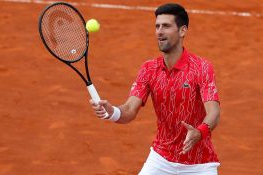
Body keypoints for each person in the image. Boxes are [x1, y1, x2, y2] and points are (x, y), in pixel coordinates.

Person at [89, 3, 221, 175]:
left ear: (182, 31)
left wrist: (199, 132)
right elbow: (129, 109)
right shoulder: (148, 69)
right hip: (161, 159)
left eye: (166, 26)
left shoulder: (202, 68)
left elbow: (214, 112)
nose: (159, 31)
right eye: (157, 26)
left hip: (200, 164)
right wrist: (111, 111)